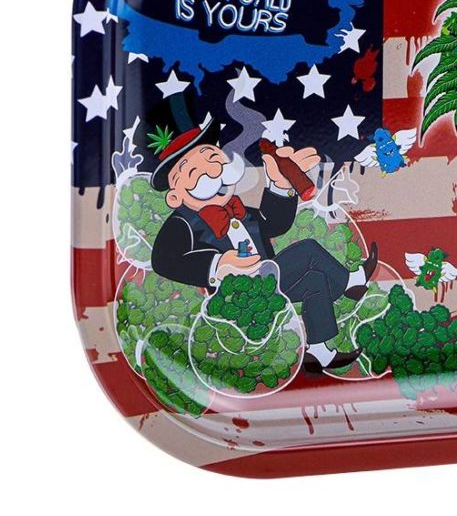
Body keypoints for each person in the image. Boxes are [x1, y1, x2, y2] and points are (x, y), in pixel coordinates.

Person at [149, 112, 378, 373]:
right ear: (174, 197)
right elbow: (163, 261)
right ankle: (351, 282)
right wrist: (217, 265)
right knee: (307, 250)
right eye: (193, 172)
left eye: (212, 157)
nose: (213, 170)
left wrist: (280, 185)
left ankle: (319, 354)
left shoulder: (238, 210)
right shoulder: (182, 224)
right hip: (237, 298)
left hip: (269, 282)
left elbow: (274, 223)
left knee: (315, 282)